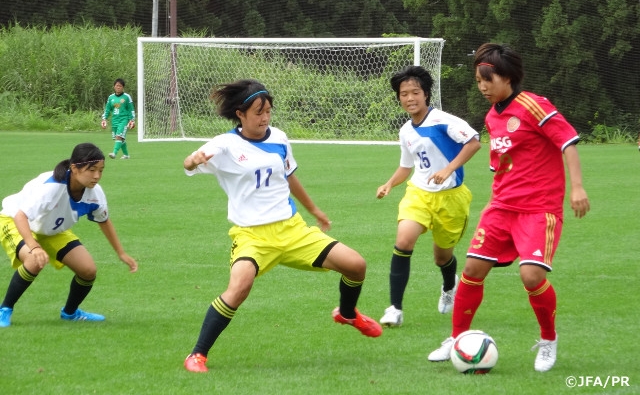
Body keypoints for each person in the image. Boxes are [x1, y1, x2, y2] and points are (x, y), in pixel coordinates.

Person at [181, 79, 382, 373]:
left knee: (356, 265)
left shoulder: (279, 138)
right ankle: (197, 355)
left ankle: (348, 314)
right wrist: (192, 160)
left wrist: (314, 209)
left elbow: (289, 177)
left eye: (268, 111)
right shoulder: (224, 145)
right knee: (239, 288)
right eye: (258, 112)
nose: (264, 118)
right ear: (240, 113)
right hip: (251, 236)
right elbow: (189, 163)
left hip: (292, 230)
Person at [427, 43, 590, 372]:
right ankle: (457, 339)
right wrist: (493, 203)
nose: (483, 87)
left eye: (488, 79)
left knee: (530, 275)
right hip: (501, 207)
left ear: (508, 77)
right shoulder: (492, 116)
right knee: (472, 270)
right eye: (478, 81)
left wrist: (578, 187)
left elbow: (568, 141)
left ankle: (548, 340)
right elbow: (500, 166)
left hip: (538, 209)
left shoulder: (533, 105)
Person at [376, 66, 481, 327]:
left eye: (415, 92)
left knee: (441, 257)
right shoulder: (406, 131)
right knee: (404, 241)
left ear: (426, 94)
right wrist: (389, 183)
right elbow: (406, 166)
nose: (410, 98)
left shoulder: (444, 120)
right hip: (419, 194)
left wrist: (448, 169)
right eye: (404, 94)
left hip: (451, 198)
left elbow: (474, 142)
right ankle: (395, 309)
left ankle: (449, 285)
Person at [0, 143, 138, 327]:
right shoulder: (52, 187)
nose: (97, 176)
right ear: (74, 168)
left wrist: (121, 253)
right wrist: (33, 246)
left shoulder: (95, 193)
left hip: (51, 230)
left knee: (88, 270)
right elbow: (21, 216)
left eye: (100, 170)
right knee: (34, 260)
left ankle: (70, 313)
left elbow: (104, 221)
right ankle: (5, 309)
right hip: (14, 220)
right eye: (91, 170)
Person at [101, 78, 136, 159]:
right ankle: (126, 155)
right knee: (120, 139)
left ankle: (114, 153)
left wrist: (132, 119)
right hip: (115, 120)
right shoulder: (111, 97)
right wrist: (104, 118)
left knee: (119, 136)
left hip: (124, 120)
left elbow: (131, 109)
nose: (118, 87)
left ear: (123, 87)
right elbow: (107, 109)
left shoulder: (127, 97)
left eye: (120, 86)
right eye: (117, 86)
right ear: (114, 87)